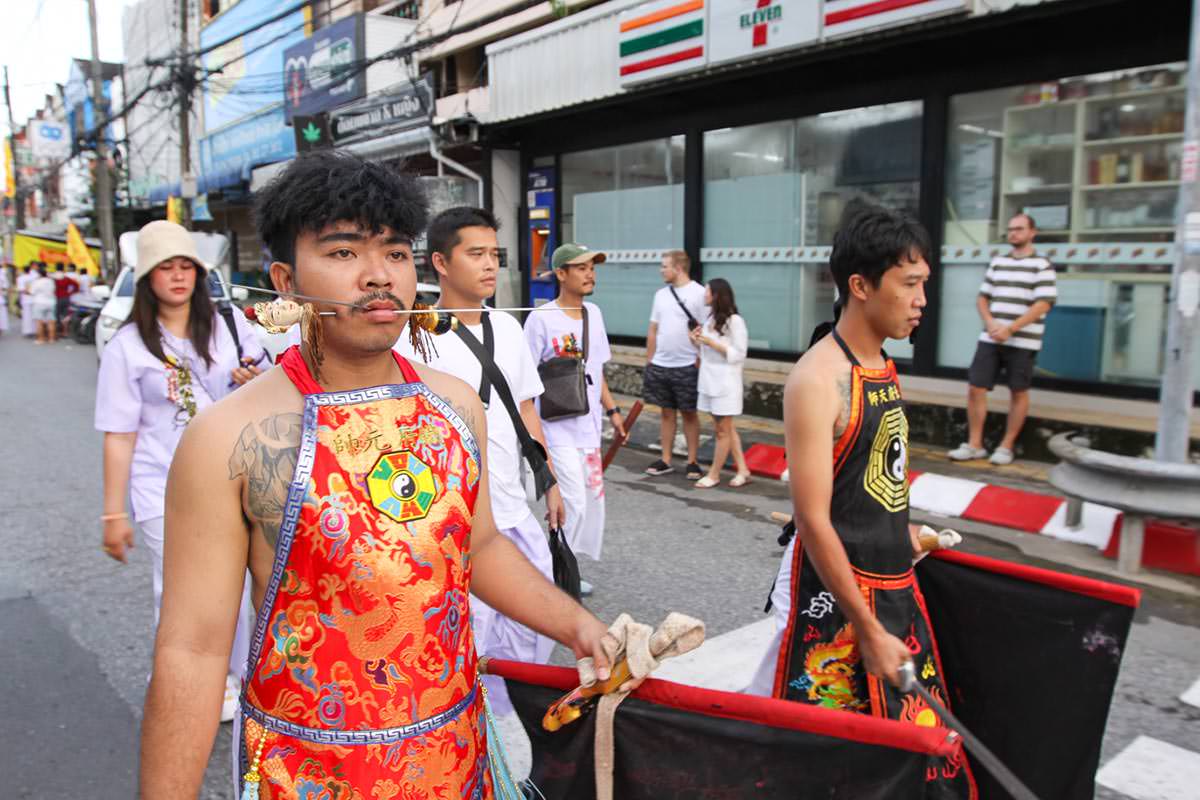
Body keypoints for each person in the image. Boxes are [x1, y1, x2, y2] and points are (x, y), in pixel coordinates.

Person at [139, 151, 622, 799]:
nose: (378, 276)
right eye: (343, 254)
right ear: (284, 279)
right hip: (309, 771)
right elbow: (192, 653)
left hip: (455, 753)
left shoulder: (456, 407)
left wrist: (578, 626)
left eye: (395, 253)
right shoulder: (225, 439)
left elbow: (476, 549)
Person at [750, 201, 976, 798]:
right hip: (835, 603)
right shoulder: (817, 380)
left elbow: (878, 475)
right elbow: (814, 520)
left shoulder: (882, 364)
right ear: (860, 285)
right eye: (910, 284)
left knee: (907, 761)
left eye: (924, 283)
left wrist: (902, 530)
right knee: (821, 765)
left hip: (894, 587)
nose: (923, 299)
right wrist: (868, 628)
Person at [394, 205, 565, 716]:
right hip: (450, 523)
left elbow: (527, 409)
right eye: (476, 254)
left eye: (495, 254)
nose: (490, 265)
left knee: (532, 629)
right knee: (464, 637)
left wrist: (550, 482)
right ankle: (468, 731)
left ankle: (508, 730)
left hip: (512, 511)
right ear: (441, 263)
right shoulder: (411, 335)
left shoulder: (509, 329)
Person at [95, 220, 265, 723]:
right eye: (164, 267)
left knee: (235, 583)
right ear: (147, 278)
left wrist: (253, 375)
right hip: (160, 484)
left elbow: (273, 375)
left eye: (185, 266)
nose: (177, 276)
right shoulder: (127, 346)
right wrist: (111, 514)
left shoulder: (230, 326)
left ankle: (230, 676)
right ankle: (178, 673)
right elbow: (119, 433)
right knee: (178, 584)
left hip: (232, 476)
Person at [524, 243, 625, 592]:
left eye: (592, 267)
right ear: (561, 274)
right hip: (555, 425)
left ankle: (562, 565)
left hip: (589, 423)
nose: (590, 273)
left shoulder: (594, 314)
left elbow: (597, 369)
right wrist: (529, 431)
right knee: (572, 502)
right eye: (581, 268)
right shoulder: (540, 318)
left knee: (591, 502)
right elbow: (525, 376)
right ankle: (554, 570)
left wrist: (613, 411)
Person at [947, 214, 1056, 466]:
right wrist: (990, 323)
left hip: (1024, 341)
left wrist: (1012, 328)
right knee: (976, 387)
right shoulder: (998, 262)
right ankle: (975, 444)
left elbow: (1043, 304)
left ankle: (1006, 446)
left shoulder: (1042, 265)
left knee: (1018, 391)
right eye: (1010, 229)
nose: (1013, 233)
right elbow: (982, 298)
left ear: (1032, 232)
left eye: (1019, 229)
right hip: (991, 337)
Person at [642, 249, 706, 479]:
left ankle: (692, 461)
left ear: (678, 268)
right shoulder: (660, 295)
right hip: (660, 364)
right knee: (666, 413)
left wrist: (701, 357)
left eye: (664, 266)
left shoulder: (699, 293)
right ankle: (666, 459)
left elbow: (706, 329)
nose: (661, 270)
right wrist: (650, 361)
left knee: (690, 413)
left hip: (688, 363)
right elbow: (653, 329)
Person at [690, 278, 750, 488]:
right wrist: (695, 340)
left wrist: (713, 343)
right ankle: (743, 469)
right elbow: (703, 351)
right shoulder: (710, 319)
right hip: (708, 381)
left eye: (706, 291)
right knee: (726, 427)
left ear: (716, 295)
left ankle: (714, 474)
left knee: (722, 430)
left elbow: (739, 354)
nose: (704, 295)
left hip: (726, 383)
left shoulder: (735, 321)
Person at [29, 264, 58, 344]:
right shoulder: (51, 281)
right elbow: (54, 290)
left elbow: (32, 292)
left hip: (39, 302)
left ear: (39, 274)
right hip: (51, 302)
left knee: (39, 322)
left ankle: (41, 339)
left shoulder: (36, 282)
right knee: (51, 321)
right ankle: (51, 339)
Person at [53, 264, 79, 335]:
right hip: (66, 297)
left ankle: (55, 332)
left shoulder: (53, 278)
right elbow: (76, 285)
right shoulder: (66, 278)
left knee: (55, 315)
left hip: (56, 298)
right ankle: (65, 332)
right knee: (65, 315)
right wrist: (71, 292)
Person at [17, 264, 38, 338]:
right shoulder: (34, 277)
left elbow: (21, 290)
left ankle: (28, 331)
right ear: (30, 270)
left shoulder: (21, 278)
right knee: (34, 315)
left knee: (26, 316)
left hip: (26, 299)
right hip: (34, 298)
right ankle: (35, 330)